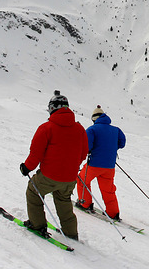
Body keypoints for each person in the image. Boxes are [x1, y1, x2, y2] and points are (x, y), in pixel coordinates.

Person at [20, 91, 88, 240]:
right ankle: (70, 232)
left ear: (52, 108)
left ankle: (37, 224)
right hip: (70, 178)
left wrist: (26, 167)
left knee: (33, 192)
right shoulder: (80, 129)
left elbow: (35, 154)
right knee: (64, 201)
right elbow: (83, 153)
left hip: (49, 176)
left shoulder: (46, 127)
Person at [76, 105, 126, 220]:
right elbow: (122, 143)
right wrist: (110, 149)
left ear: (94, 118)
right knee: (108, 189)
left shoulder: (92, 129)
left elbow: (87, 146)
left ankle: (85, 204)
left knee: (82, 180)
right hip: (109, 166)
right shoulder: (116, 130)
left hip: (94, 164)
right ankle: (113, 213)